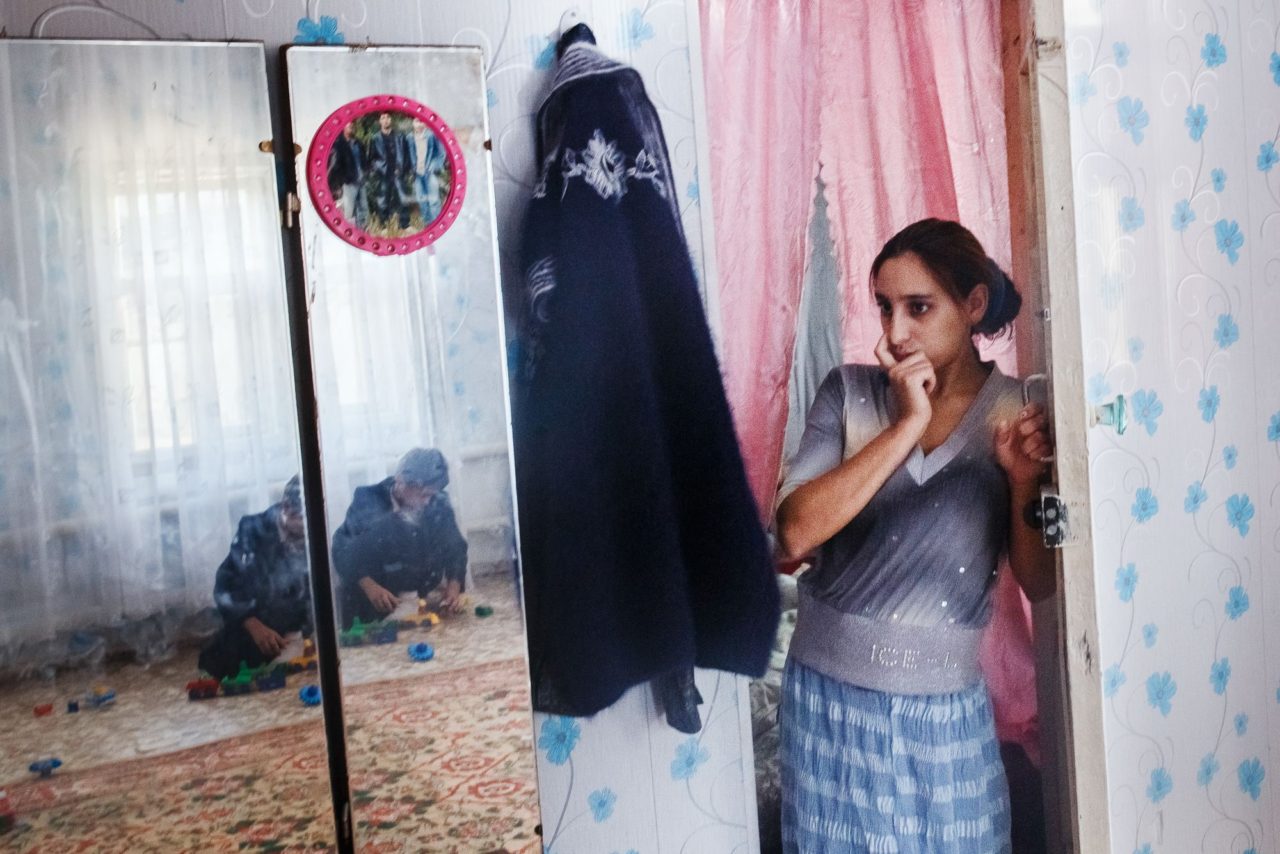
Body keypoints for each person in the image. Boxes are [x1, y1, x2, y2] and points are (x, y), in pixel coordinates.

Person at [774, 218, 1054, 853]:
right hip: (828, 706)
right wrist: (906, 426)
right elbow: (793, 533)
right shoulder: (848, 393)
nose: (894, 333)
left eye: (918, 308)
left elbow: (1040, 585)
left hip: (945, 715)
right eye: (884, 307)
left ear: (973, 304)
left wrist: (1022, 483)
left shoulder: (1014, 412)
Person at [332, 448, 468, 627]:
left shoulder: (437, 500)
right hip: (377, 605)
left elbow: (455, 546)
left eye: (432, 494)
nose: (427, 501)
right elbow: (343, 548)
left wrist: (453, 586)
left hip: (420, 600)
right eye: (423, 494)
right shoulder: (368, 500)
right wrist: (370, 586)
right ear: (400, 482)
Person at [198, 476, 311, 679]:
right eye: (303, 520)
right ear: (286, 509)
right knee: (234, 666)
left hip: (292, 632)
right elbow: (225, 586)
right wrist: (253, 625)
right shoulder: (253, 531)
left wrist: (301, 630)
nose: (307, 529)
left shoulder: (310, 532)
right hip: (252, 626)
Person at [368, 111, 412, 232]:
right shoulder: (375, 138)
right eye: (383, 118)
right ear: (380, 121)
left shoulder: (400, 136)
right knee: (383, 200)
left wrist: (403, 169)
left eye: (388, 117)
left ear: (391, 120)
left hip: (398, 172)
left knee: (403, 198)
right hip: (384, 173)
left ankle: (405, 224)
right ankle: (383, 226)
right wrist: (379, 169)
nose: (386, 120)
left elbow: (406, 155)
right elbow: (371, 159)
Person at [327, 120, 369, 229]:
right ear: (343, 127)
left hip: (361, 182)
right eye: (348, 125)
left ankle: (363, 233)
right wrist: (337, 185)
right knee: (348, 212)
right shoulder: (338, 145)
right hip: (348, 183)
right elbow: (335, 166)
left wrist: (366, 172)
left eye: (352, 125)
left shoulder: (359, 143)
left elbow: (364, 161)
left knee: (363, 210)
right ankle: (349, 233)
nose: (351, 126)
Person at [408, 118, 447, 224]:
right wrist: (412, 170)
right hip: (417, 174)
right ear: (413, 123)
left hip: (430, 173)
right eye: (417, 121)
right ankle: (428, 224)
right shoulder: (410, 137)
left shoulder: (432, 135)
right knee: (421, 201)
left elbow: (441, 154)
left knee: (433, 200)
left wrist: (433, 166)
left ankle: (437, 223)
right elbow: (408, 156)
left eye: (422, 121)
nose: (419, 124)